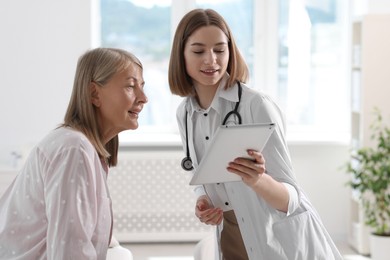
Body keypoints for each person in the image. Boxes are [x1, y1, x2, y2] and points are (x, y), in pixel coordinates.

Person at [168, 8, 343, 260]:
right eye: (198, 51)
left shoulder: (255, 105)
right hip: (229, 233)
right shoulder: (185, 113)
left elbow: (291, 198)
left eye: (219, 49)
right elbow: (198, 174)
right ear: (181, 55)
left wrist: (257, 180)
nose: (211, 60)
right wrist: (203, 201)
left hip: (277, 238)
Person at [0, 47, 148, 259]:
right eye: (131, 86)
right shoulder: (74, 150)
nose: (144, 98)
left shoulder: (81, 146)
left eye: (142, 87)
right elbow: (69, 251)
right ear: (94, 93)